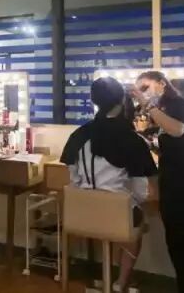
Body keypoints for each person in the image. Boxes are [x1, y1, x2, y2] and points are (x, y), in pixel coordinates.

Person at [61, 77, 157, 292]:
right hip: (116, 217)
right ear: (122, 101)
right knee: (134, 219)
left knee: (118, 219)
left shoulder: (79, 135)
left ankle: (108, 278)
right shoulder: (133, 140)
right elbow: (141, 192)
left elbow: (74, 179)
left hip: (82, 213)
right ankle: (120, 283)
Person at [131, 71, 184, 293]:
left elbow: (178, 130)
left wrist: (147, 105)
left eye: (145, 87)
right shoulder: (165, 111)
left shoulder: (180, 106)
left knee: (181, 249)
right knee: (178, 249)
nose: (143, 94)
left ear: (162, 84)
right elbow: (171, 146)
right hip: (175, 189)